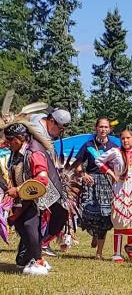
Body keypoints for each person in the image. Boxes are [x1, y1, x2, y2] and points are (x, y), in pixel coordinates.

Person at [4, 123, 52, 275]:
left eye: (11, 140)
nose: (8, 143)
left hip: (36, 198)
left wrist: (17, 190)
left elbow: (41, 180)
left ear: (20, 138)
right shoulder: (16, 152)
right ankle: (33, 257)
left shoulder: (34, 153)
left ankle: (38, 261)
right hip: (22, 199)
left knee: (29, 226)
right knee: (19, 224)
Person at [95, 127, 132, 263]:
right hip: (119, 189)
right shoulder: (115, 152)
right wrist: (110, 173)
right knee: (119, 221)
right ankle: (116, 253)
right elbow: (99, 161)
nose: (125, 140)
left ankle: (130, 246)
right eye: (123, 138)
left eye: (128, 138)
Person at [73, 118, 117, 259]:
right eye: (100, 127)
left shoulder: (114, 147)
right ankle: (94, 232)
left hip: (107, 183)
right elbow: (78, 164)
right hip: (91, 181)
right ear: (96, 128)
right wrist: (83, 174)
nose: (103, 129)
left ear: (109, 129)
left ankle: (99, 252)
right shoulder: (88, 145)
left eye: (106, 127)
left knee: (104, 216)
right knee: (86, 212)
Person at [30, 108, 71, 258]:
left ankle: (41, 243)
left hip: (44, 175)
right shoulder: (37, 132)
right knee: (37, 214)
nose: (60, 131)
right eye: (60, 128)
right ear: (51, 121)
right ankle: (35, 246)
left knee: (59, 211)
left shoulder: (40, 119)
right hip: (34, 176)